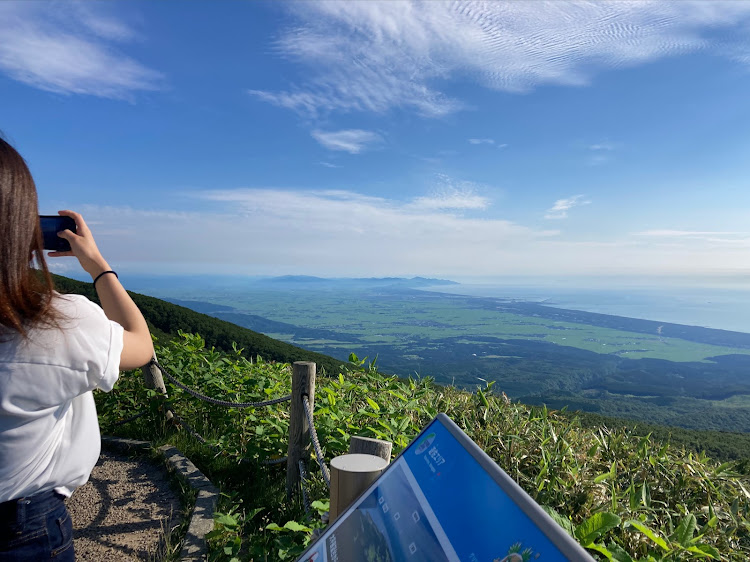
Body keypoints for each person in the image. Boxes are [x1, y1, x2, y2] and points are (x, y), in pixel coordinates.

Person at [0, 137, 154, 561]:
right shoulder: (58, 322)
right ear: (20, 225)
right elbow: (140, 344)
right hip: (23, 530)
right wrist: (97, 265)